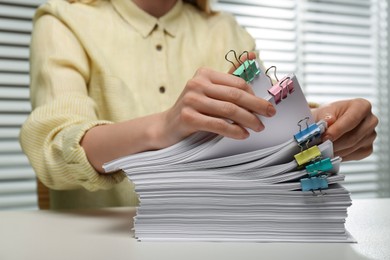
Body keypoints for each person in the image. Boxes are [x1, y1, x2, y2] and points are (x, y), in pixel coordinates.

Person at [20, 0, 378, 209]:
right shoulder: (64, 18)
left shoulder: (228, 30)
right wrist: (162, 127)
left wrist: (322, 126)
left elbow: (262, 123)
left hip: (217, 237)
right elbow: (54, 148)